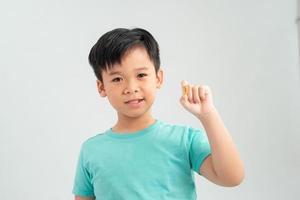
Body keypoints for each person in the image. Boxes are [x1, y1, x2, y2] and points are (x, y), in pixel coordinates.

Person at [72, 28, 245, 200]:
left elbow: (232, 177)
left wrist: (209, 115)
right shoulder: (92, 150)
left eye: (141, 75)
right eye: (117, 79)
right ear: (101, 87)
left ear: (158, 78)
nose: (131, 88)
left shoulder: (184, 140)